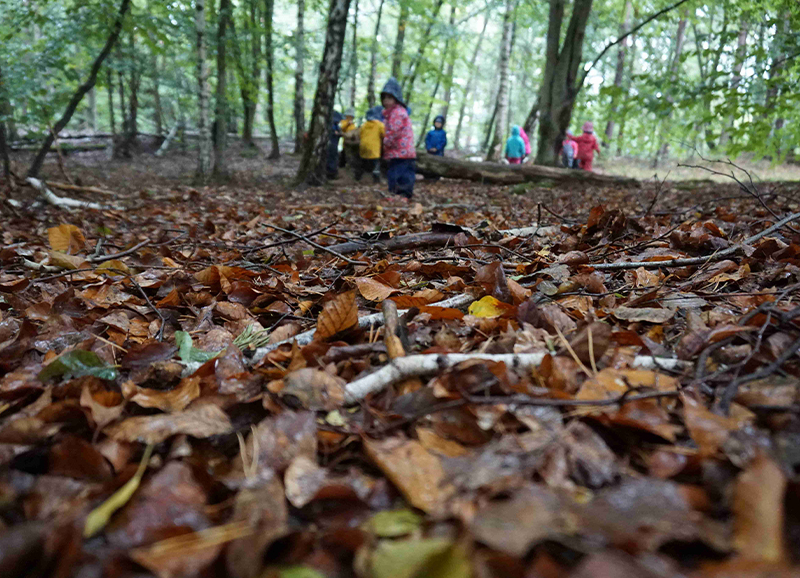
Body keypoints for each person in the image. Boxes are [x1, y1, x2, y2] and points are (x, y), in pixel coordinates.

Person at [380, 77, 416, 199]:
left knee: (400, 174)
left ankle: (402, 195)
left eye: (390, 98)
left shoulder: (397, 113)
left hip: (401, 150)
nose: (386, 101)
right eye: (384, 98)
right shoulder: (391, 114)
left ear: (396, 99)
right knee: (398, 173)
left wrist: (386, 143)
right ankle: (398, 194)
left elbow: (394, 131)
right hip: (399, 151)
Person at [356, 106, 385, 183]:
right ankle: (376, 179)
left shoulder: (364, 125)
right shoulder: (379, 124)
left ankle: (358, 177)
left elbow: (360, 134)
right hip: (374, 148)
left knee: (363, 162)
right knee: (376, 163)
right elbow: (384, 135)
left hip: (363, 146)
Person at [326, 111, 344, 180]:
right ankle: (331, 174)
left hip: (335, 145)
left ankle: (333, 173)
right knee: (331, 158)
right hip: (331, 145)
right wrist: (336, 133)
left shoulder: (336, 126)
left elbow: (339, 133)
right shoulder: (330, 125)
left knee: (334, 157)